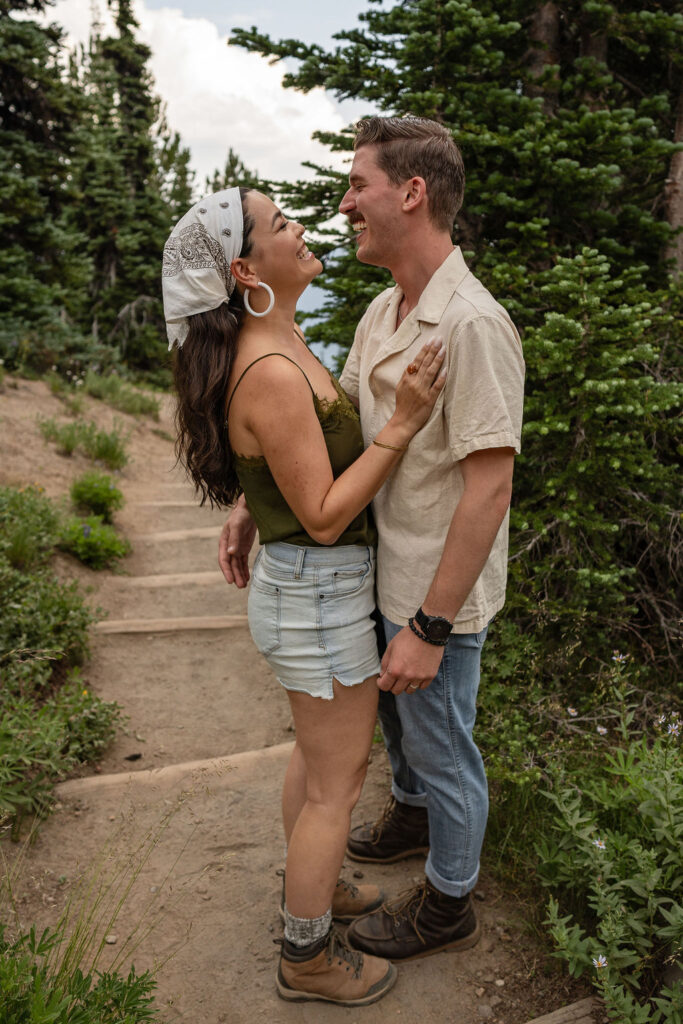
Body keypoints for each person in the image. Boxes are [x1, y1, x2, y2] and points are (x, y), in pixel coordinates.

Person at [220, 115, 525, 964]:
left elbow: (489, 487)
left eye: (359, 186)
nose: (345, 202)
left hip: (432, 595)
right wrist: (259, 499)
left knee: (440, 745)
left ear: (412, 193)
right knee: (401, 741)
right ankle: (414, 814)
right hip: (378, 582)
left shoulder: (471, 326)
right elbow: (343, 419)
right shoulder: (385, 310)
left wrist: (429, 628)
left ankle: (449, 904)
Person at [163, 185, 446, 1005]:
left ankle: (308, 886)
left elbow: (290, 472)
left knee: (315, 759)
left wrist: (254, 504)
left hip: (312, 596)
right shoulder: (272, 369)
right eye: (282, 223)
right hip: (318, 594)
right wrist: (404, 422)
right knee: (338, 784)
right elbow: (323, 516)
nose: (303, 227)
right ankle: (307, 955)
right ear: (246, 268)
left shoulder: (278, 338)